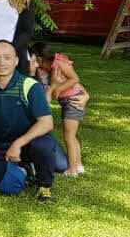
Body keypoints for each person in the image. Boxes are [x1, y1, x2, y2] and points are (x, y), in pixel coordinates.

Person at [0, 40, 67, 204]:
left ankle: (44, 186)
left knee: (55, 160)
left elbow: (46, 123)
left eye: (7, 58)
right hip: (1, 145)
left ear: (16, 61)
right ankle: (26, 169)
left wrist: (18, 144)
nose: (2, 63)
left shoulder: (30, 86)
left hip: (31, 141)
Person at [30, 41, 89, 176]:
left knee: (69, 136)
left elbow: (75, 79)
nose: (37, 65)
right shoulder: (46, 69)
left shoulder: (59, 63)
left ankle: (72, 169)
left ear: (40, 58)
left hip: (73, 101)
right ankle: (78, 165)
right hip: (68, 101)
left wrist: (58, 89)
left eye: (37, 61)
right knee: (72, 136)